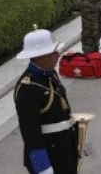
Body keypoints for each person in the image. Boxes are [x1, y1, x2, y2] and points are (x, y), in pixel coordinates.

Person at [13, 28, 77, 174]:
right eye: (52, 53)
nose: (58, 55)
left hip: (63, 149)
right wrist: (43, 167)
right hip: (50, 154)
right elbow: (30, 133)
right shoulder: (28, 88)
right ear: (39, 57)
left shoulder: (50, 73)